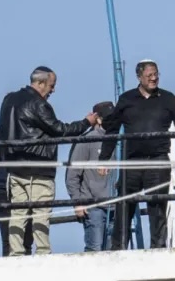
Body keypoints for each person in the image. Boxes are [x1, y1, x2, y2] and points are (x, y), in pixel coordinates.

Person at [98, 59, 175, 249]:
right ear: (139, 77)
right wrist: (103, 159)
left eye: (156, 74)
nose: (154, 78)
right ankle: (118, 249)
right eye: (149, 76)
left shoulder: (167, 98)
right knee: (124, 206)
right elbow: (112, 129)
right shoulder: (126, 99)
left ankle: (158, 249)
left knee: (158, 207)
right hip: (132, 161)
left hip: (158, 159)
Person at [0, 66, 98, 256]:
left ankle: (16, 252)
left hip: (13, 165)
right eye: (51, 86)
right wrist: (86, 123)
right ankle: (43, 252)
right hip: (39, 166)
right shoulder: (39, 104)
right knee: (41, 214)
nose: (53, 90)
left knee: (18, 214)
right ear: (41, 83)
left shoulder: (9, 100)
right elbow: (59, 129)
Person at [65, 101, 115, 252]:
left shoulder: (120, 140)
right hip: (93, 206)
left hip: (117, 204)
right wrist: (78, 202)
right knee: (95, 249)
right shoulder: (87, 140)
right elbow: (72, 175)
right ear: (98, 119)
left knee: (115, 252)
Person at [0, 126, 33, 256]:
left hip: (25, 184)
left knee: (27, 238)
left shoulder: (29, 130)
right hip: (3, 186)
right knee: (8, 237)